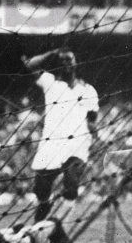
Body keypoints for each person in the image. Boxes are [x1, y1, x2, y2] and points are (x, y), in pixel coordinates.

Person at [22, 48, 98, 225]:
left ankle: (59, 224)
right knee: (41, 189)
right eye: (62, 61)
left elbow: (93, 120)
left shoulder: (88, 90)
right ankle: (42, 216)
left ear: (76, 63)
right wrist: (52, 53)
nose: (66, 64)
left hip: (78, 144)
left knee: (71, 185)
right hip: (52, 143)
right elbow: (29, 65)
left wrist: (95, 134)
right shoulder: (50, 82)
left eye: (69, 60)